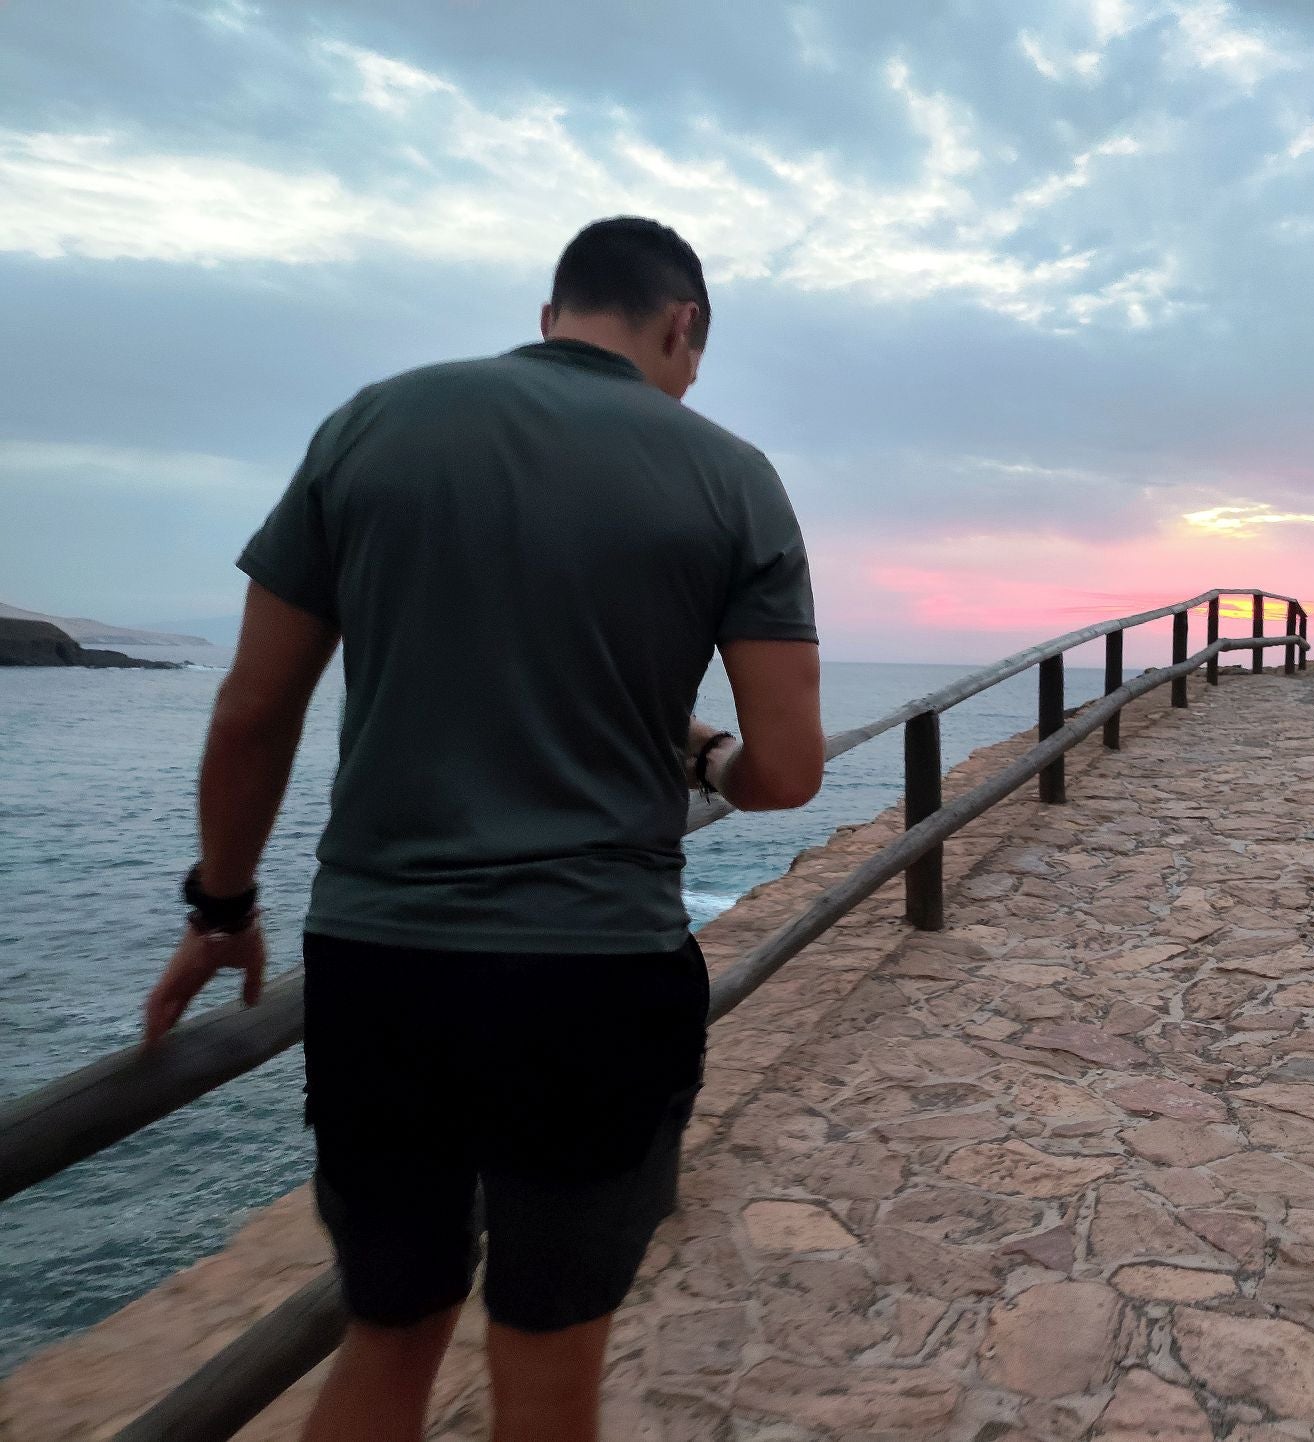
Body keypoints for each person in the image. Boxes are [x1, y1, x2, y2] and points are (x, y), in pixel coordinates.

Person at [141, 216, 825, 1442]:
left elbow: (255, 710)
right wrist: (700, 748)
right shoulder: (731, 474)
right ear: (684, 328)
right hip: (598, 975)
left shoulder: (373, 424)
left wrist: (220, 909)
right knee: (549, 1347)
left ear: (551, 308)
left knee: (389, 1325)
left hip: (383, 966)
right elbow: (783, 771)